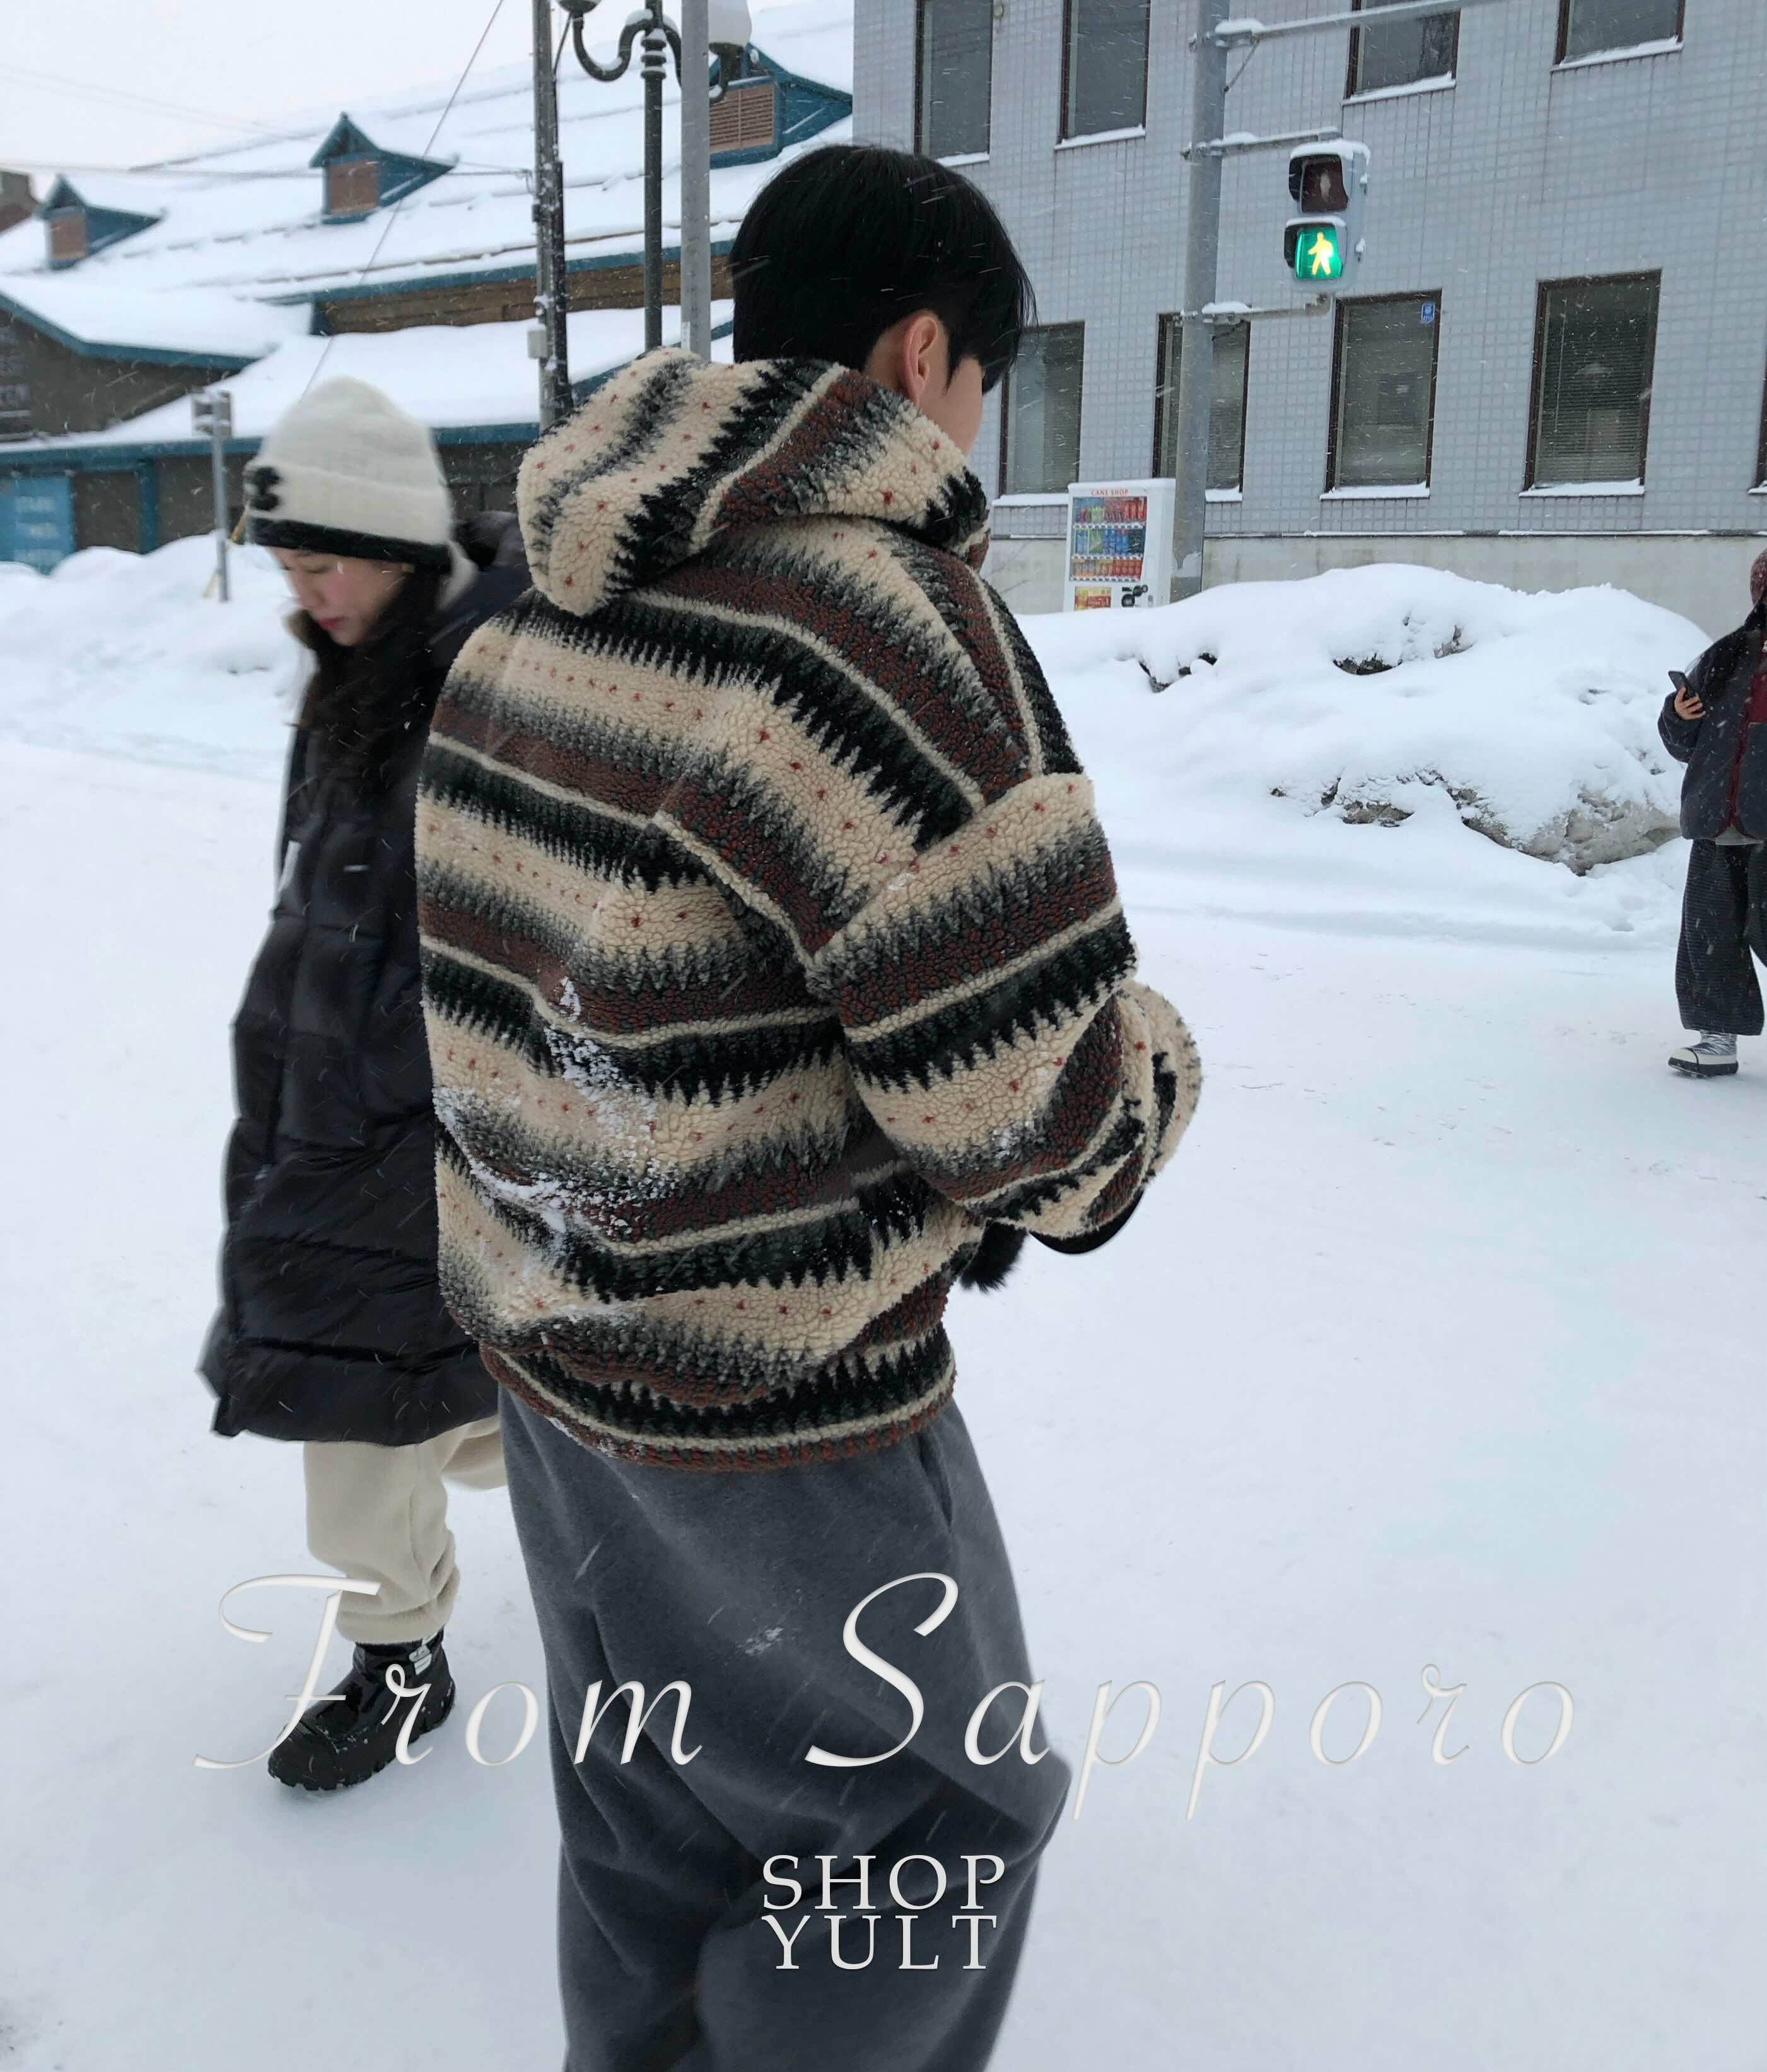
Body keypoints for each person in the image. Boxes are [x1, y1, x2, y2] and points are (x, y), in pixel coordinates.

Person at [415, 145, 1202, 2068]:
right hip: (771, 1406)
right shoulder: (871, 624)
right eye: (983, 384)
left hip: (552, 1363)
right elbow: (1040, 1123)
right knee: (928, 1826)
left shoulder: (541, 601)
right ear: (924, 353)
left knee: (652, 1815)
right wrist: (1157, 1069)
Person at [201, 376, 528, 1793]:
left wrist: (405, 1070)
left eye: (323, 561)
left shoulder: (493, 682)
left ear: (396, 542)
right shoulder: (361, 664)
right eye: (288, 566)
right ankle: (416, 1634)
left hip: (433, 1128)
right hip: (330, 1107)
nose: (306, 592)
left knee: (385, 1399)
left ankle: (406, 1662)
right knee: (378, 1394)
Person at [1659, 546, 1767, 1078]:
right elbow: (1684, 743)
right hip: (1719, 820)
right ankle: (1717, 1037)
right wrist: (1679, 716)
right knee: (1712, 932)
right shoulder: (1729, 655)